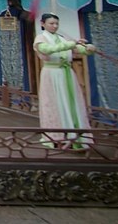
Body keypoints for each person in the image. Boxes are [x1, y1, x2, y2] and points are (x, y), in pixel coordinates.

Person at [33, 13, 96, 150]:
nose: (54, 26)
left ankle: (76, 135)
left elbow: (79, 49)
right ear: (43, 24)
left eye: (56, 23)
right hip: (51, 73)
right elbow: (47, 49)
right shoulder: (40, 38)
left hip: (67, 73)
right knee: (54, 104)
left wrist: (89, 49)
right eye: (51, 23)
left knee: (72, 102)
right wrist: (71, 44)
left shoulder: (62, 38)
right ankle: (56, 137)